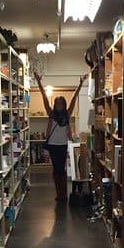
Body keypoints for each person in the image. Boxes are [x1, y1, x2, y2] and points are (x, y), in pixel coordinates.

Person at [33, 71, 88, 201]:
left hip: (63, 144)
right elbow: (44, 97)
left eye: (61, 104)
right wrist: (39, 82)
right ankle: (59, 193)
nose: (59, 106)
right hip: (52, 144)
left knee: (61, 169)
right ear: (55, 105)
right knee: (56, 169)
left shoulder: (67, 115)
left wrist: (80, 84)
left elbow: (74, 98)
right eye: (57, 104)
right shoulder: (51, 113)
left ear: (64, 105)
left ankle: (63, 194)